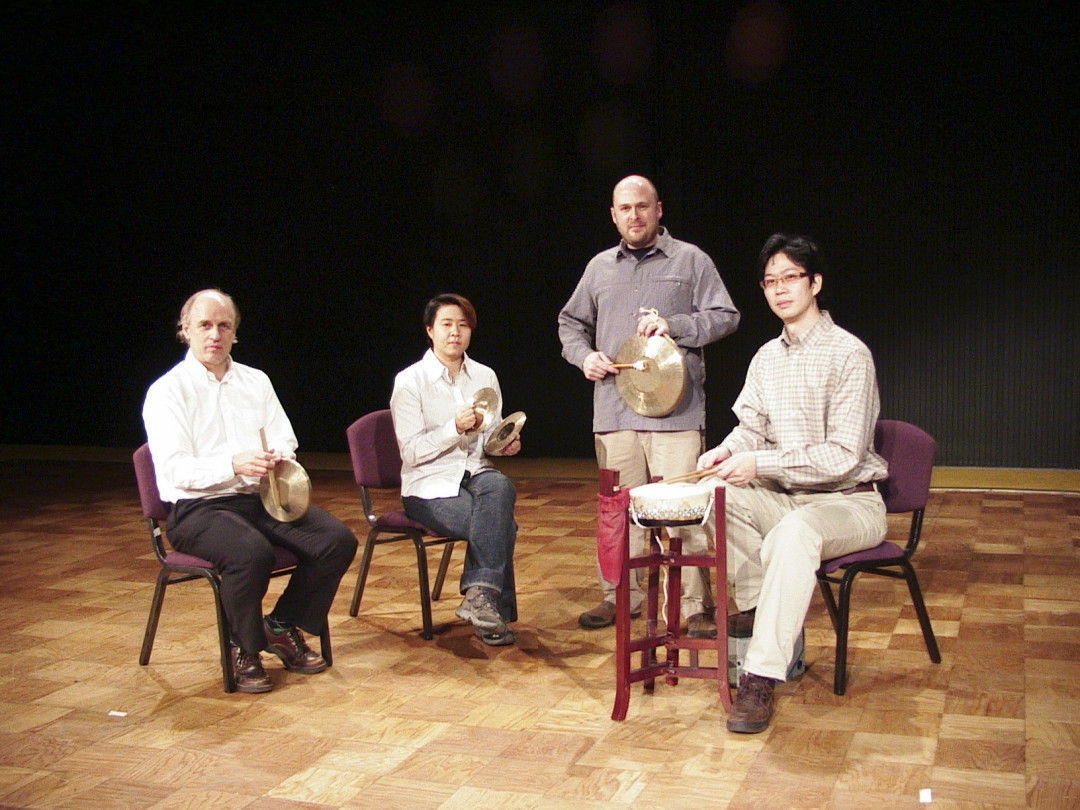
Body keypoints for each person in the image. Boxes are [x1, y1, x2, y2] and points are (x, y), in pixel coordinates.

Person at [696, 234, 888, 733]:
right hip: (788, 500)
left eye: (790, 278)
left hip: (848, 504)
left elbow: (842, 457)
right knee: (716, 494)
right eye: (770, 282)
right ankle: (762, 609)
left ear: (815, 283)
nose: (779, 289)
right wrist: (726, 451)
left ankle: (760, 676)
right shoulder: (766, 357)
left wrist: (761, 463)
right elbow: (751, 428)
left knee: (795, 532)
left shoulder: (849, 354)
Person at [142, 289, 358, 693]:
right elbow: (174, 469)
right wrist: (233, 464)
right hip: (199, 508)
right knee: (251, 553)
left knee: (336, 540)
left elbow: (284, 436)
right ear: (185, 329)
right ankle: (243, 647)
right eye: (205, 325)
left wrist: (277, 454)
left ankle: (280, 625)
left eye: (224, 326)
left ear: (235, 332)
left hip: (260, 496)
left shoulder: (255, 381)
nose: (215, 334)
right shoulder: (167, 391)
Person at [558, 174, 740, 632]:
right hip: (614, 411)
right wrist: (584, 357)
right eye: (625, 208)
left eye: (642, 206)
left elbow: (726, 315)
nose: (634, 215)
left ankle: (694, 607)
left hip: (676, 414)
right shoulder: (599, 267)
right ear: (613, 215)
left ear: (658, 210)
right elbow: (570, 323)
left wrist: (675, 326)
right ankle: (619, 596)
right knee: (617, 513)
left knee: (686, 513)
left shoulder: (691, 260)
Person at [390, 293, 521, 646]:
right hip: (428, 484)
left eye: (463, 325)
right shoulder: (410, 381)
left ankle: (481, 599)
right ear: (430, 330)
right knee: (501, 526)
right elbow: (411, 452)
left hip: (476, 473)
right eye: (446, 324)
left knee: (501, 486)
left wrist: (503, 444)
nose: (455, 332)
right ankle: (491, 614)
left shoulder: (485, 375)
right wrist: (454, 428)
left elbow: (488, 439)